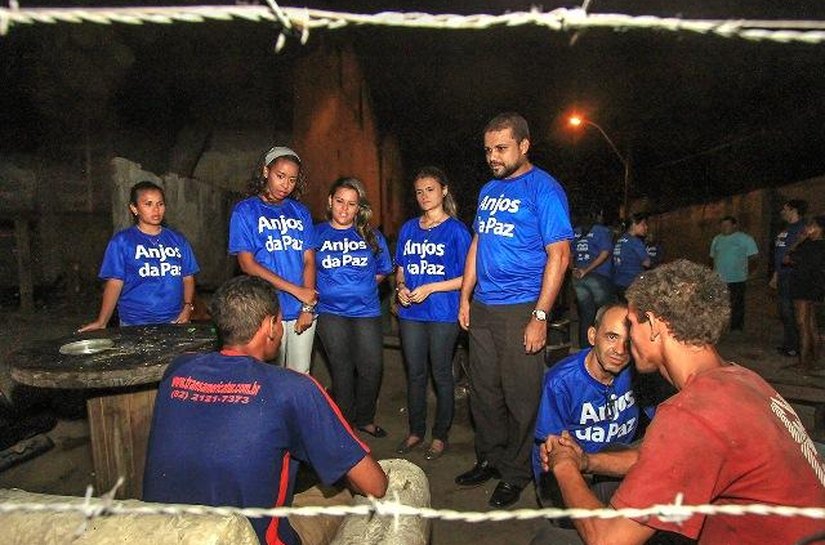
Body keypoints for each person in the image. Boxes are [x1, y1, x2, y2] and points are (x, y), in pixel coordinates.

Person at [539, 260, 825, 545]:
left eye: (631, 323)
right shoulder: (742, 378)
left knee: (549, 540)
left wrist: (564, 465)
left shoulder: (691, 414)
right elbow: (663, 460)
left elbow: (607, 540)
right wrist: (586, 461)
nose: (627, 340)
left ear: (652, 324)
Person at [142, 275, 388, 545]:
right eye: (280, 321)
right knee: (357, 489)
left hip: (165, 533)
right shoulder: (293, 389)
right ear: (270, 325)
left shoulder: (178, 370)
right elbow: (375, 485)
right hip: (250, 539)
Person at [455, 112, 573, 509]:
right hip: (484, 307)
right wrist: (464, 297)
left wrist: (540, 316)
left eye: (501, 148)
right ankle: (489, 458)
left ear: (524, 145)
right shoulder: (488, 190)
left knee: (522, 397)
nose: (493, 156)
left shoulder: (545, 189)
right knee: (484, 393)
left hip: (522, 307)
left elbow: (560, 254)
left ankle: (516, 473)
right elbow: (477, 244)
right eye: (488, 149)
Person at [395, 166, 471, 460]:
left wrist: (431, 287)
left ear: (444, 190)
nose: (424, 196)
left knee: (441, 374)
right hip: (411, 313)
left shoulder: (457, 230)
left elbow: (468, 275)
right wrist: (401, 286)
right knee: (415, 374)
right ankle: (416, 431)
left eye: (430, 189)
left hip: (442, 314)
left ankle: (440, 436)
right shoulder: (408, 228)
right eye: (419, 191)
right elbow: (401, 268)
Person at [314, 177, 393, 438]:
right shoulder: (316, 234)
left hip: (366, 311)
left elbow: (383, 270)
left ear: (359, 208)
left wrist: (362, 285)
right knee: (342, 370)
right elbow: (305, 269)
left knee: (372, 368)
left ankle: (365, 418)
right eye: (339, 202)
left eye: (351, 204)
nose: (345, 209)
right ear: (330, 201)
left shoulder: (371, 235)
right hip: (329, 311)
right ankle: (346, 427)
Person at [228, 145, 317, 373]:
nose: (285, 185)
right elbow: (247, 263)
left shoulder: (301, 212)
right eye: (280, 176)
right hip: (265, 309)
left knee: (300, 376)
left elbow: (308, 259)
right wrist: (296, 291)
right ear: (266, 172)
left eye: (292, 179)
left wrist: (307, 305)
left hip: (300, 309)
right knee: (266, 377)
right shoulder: (245, 211)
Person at [79, 181, 199, 331]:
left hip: (175, 321)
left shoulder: (178, 240)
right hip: (135, 323)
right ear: (134, 208)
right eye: (148, 204)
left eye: (160, 204)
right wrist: (102, 321)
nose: (156, 210)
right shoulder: (122, 241)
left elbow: (187, 277)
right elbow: (115, 283)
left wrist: (188, 306)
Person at [570, 209, 615, 348]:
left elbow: (569, 254)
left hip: (579, 278)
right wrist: (586, 270)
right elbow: (605, 253)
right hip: (598, 276)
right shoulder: (601, 231)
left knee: (586, 314)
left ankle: (584, 349)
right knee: (604, 313)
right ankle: (604, 347)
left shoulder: (575, 232)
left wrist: (574, 269)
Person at [770, 199, 808, 357]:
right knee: (784, 312)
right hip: (783, 275)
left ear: (793, 210)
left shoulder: (802, 229)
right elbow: (780, 254)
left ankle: (796, 347)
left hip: (793, 276)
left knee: (792, 312)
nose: (782, 212)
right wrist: (775, 275)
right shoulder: (786, 229)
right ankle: (790, 344)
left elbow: (801, 255)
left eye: (785, 209)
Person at [788, 215, 825, 372]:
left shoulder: (807, 245)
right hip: (816, 288)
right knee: (812, 324)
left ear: (817, 228)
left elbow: (788, 257)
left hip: (803, 287)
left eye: (811, 225)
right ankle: (817, 359)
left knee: (802, 325)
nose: (807, 228)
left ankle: (803, 363)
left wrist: (800, 240)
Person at [709, 215, 758, 332]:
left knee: (737, 304)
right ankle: (720, 326)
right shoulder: (717, 239)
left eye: (728, 225)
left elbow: (754, 257)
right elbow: (712, 257)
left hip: (737, 278)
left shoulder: (745, 239)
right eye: (722, 225)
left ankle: (736, 327)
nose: (725, 227)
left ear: (734, 226)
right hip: (719, 278)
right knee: (719, 303)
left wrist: (750, 272)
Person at [611, 213, 650, 300]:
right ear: (634, 225)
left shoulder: (619, 240)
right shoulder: (635, 242)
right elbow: (647, 263)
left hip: (618, 282)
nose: (646, 227)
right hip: (632, 282)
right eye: (643, 224)